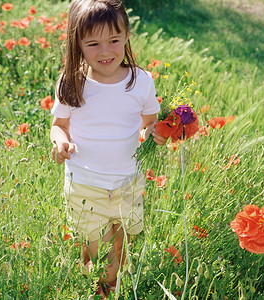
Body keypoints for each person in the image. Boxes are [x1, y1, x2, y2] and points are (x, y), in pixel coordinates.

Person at [49, 0, 166, 297]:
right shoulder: (72, 82)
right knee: (101, 249)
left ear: (127, 35)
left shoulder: (141, 81)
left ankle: (98, 279)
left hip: (128, 180)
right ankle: (102, 288)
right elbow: (59, 124)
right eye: (93, 44)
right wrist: (60, 142)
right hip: (87, 184)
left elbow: (148, 122)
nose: (105, 51)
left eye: (114, 40)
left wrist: (155, 133)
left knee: (119, 244)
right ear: (78, 43)